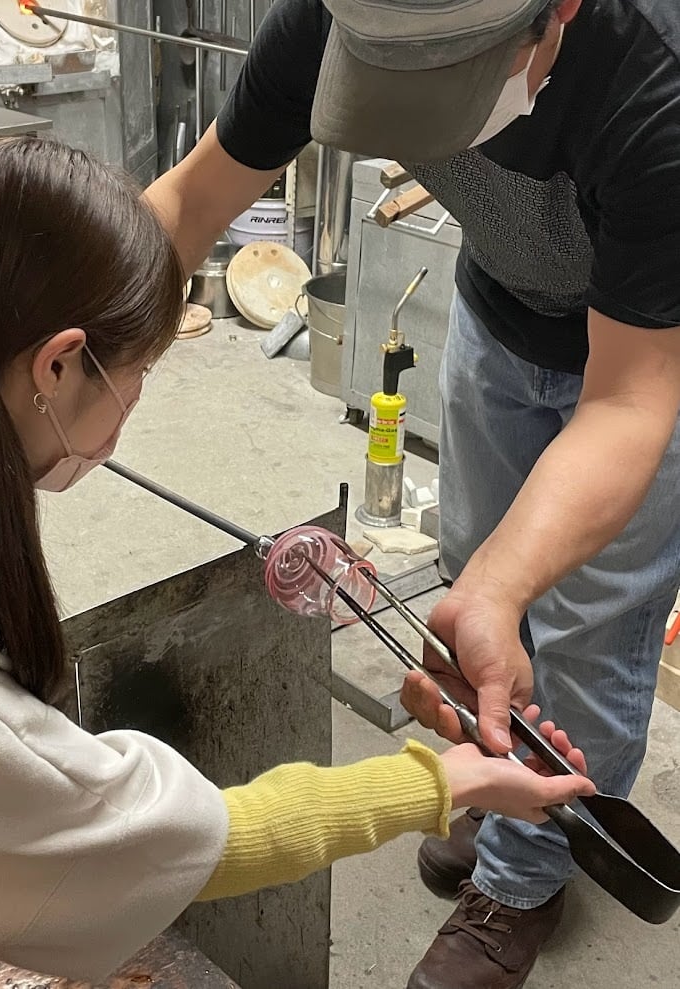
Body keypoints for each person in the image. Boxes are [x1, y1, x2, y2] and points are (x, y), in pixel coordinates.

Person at [0, 136, 594, 981]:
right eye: (140, 374)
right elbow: (186, 842)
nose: (131, 406)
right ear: (57, 366)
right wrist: (447, 779)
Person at [145, 0, 680, 986]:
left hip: (646, 353)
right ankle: (502, 783)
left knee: (588, 627)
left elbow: (625, 403)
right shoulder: (332, 20)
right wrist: (51, 328)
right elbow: (189, 201)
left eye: (446, 79)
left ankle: (521, 881)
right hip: (500, 305)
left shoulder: (654, 84)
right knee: (471, 567)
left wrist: (503, 588)